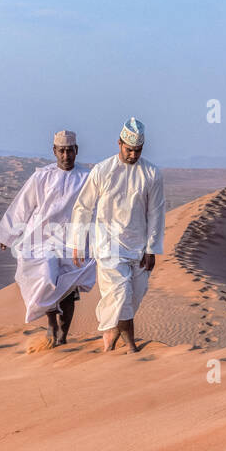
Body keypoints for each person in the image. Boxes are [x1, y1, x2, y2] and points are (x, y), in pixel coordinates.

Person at [69, 117, 165, 352]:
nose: (133, 155)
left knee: (134, 298)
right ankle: (131, 346)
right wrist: (78, 242)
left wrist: (152, 248)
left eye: (138, 150)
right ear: (119, 143)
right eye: (129, 149)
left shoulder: (151, 173)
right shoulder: (102, 171)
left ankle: (110, 334)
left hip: (138, 247)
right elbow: (83, 206)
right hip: (108, 246)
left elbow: (156, 212)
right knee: (120, 294)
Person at [0, 130, 97, 346]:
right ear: (54, 151)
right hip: (42, 240)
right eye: (62, 151)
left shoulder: (87, 178)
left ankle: (63, 335)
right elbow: (23, 204)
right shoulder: (42, 176)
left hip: (72, 241)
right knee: (46, 279)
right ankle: (51, 323)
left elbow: (99, 210)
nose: (66, 155)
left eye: (70, 151)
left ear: (76, 151)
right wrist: (8, 233)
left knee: (68, 290)